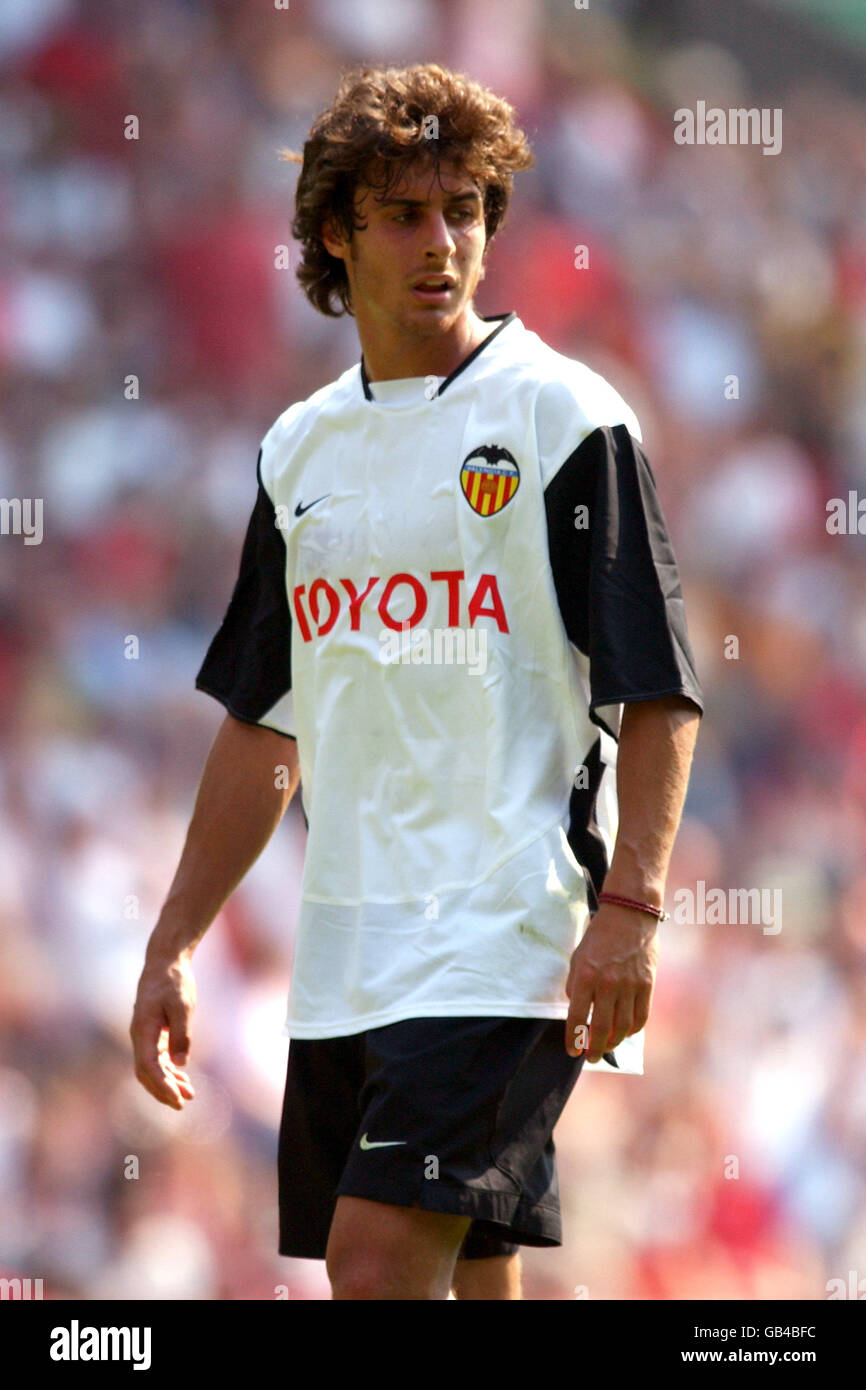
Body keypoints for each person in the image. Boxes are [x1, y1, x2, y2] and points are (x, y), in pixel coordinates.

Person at [130, 62, 703, 1301]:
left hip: (507, 936)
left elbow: (656, 689)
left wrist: (632, 909)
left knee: (375, 1259)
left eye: (465, 208)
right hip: (348, 951)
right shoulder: (301, 451)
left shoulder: (565, 419)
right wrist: (175, 942)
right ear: (334, 233)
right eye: (403, 213)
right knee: (467, 1275)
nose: (441, 242)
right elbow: (259, 725)